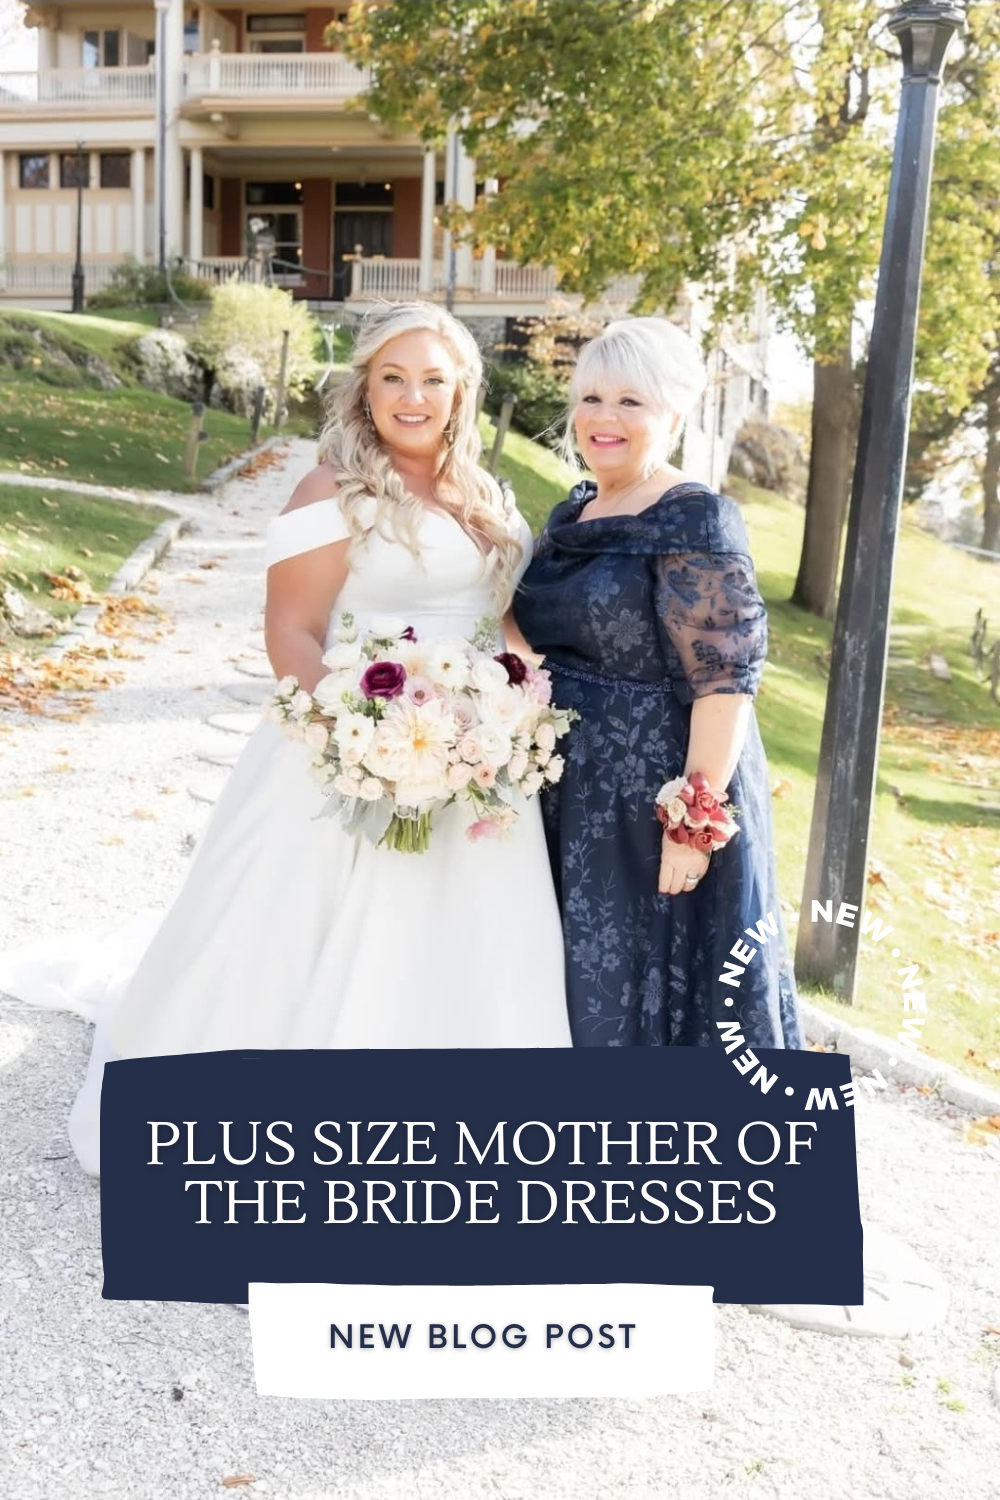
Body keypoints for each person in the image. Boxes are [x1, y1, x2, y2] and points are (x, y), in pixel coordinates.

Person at [2, 301, 571, 1176]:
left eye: (432, 379)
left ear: (462, 391)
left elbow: (502, 624)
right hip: (352, 749)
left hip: (475, 759)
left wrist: (516, 713)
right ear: (365, 389)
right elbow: (293, 632)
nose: (412, 397)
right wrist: (361, 744)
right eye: (392, 377)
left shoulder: (489, 498)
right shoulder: (330, 491)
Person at [511, 316, 802, 1049]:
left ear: (672, 414)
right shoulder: (574, 511)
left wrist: (692, 826)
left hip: (656, 800)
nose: (603, 417)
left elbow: (726, 681)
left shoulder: (695, 519)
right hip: (570, 793)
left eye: (630, 402)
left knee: (648, 992)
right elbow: (531, 632)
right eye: (591, 398)